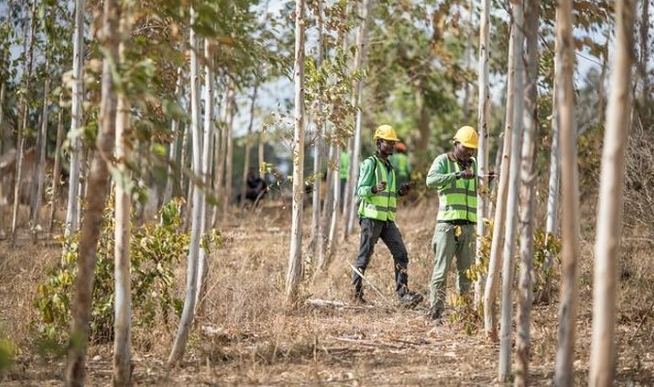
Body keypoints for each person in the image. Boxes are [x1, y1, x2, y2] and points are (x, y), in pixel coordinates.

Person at [425, 126, 493, 320]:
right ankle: (435, 313)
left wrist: (490, 180)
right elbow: (430, 181)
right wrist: (456, 175)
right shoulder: (443, 161)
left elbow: (482, 192)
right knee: (441, 272)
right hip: (447, 225)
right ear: (455, 144)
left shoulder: (475, 164)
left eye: (472, 148)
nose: (469, 152)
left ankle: (463, 313)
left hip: (469, 227)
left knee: (466, 274)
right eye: (465, 147)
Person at [351, 124, 423, 307]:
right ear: (378, 142)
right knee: (365, 255)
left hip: (387, 220)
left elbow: (387, 195)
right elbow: (361, 191)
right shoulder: (370, 163)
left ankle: (403, 295)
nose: (391, 146)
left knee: (401, 254)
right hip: (371, 218)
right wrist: (373, 189)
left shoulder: (388, 166)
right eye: (388, 142)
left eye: (393, 143)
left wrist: (399, 192)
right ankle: (355, 294)